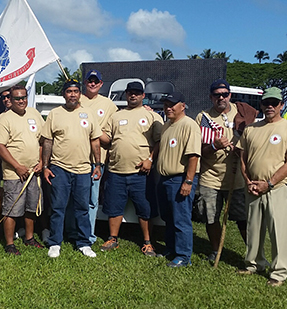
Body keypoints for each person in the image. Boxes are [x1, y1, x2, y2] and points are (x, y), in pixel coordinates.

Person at [236, 87, 287, 287]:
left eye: (274, 103)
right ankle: (254, 263)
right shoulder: (251, 129)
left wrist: (270, 183)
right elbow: (242, 158)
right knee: (254, 229)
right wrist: (248, 181)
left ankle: (279, 272)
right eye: (266, 103)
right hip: (254, 187)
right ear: (261, 105)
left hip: (277, 187)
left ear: (282, 105)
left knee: (279, 231)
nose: (270, 106)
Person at [99, 81, 163, 256]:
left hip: (142, 172)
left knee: (145, 208)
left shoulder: (153, 116)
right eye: (130, 93)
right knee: (114, 207)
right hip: (116, 170)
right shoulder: (116, 116)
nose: (133, 95)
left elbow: (159, 141)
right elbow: (107, 138)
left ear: (143, 96)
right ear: (126, 95)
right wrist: (93, 128)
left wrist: (150, 159)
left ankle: (148, 242)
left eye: (136, 93)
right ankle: (113, 238)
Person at [41, 79, 101, 258]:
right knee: (58, 207)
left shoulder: (88, 113)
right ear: (63, 94)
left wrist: (97, 164)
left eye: (75, 91)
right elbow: (48, 141)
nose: (72, 94)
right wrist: (45, 166)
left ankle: (84, 243)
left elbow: (95, 140)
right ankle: (55, 242)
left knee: (82, 208)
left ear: (80, 94)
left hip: (83, 169)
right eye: (69, 91)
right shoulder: (55, 114)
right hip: (59, 168)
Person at [195, 79, 247, 262]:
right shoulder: (203, 118)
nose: (221, 98)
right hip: (211, 176)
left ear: (230, 95)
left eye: (224, 94)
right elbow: (197, 150)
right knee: (210, 217)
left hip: (237, 176)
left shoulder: (242, 113)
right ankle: (216, 250)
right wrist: (214, 146)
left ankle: (252, 252)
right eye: (217, 95)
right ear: (211, 97)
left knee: (243, 217)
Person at [65, 70, 118, 244]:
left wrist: (94, 133)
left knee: (91, 199)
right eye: (89, 81)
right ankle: (72, 231)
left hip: (96, 160)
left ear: (101, 84)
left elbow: (111, 135)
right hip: (74, 158)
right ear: (84, 83)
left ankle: (88, 234)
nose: (93, 84)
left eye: (96, 81)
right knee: (73, 198)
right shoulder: (76, 100)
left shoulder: (109, 105)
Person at [0, 85, 45, 255]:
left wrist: (41, 162)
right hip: (14, 174)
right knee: (12, 210)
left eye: (24, 97)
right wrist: (17, 166)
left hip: (33, 172)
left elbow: (41, 141)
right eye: (17, 98)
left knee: (31, 207)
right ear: (10, 101)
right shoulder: (5, 119)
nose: (21, 101)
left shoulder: (34, 114)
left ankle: (29, 238)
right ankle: (9, 244)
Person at [155, 91, 201, 267]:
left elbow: (194, 156)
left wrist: (188, 181)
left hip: (179, 179)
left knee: (181, 219)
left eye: (172, 104)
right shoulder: (167, 125)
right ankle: (172, 248)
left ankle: (183, 256)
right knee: (169, 217)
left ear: (183, 105)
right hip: (165, 179)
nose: (168, 108)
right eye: (166, 105)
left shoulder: (189, 125)